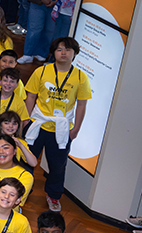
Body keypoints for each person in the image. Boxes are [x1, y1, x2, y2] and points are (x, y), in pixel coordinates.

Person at [24, 37, 91, 212]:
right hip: (37, 123)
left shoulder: (80, 77)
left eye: (67, 50)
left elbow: (82, 104)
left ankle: (53, 196)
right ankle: (22, 190)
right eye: (59, 49)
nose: (63, 53)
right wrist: (25, 119)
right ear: (53, 52)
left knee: (58, 166)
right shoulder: (41, 71)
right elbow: (30, 96)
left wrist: (75, 129)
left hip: (61, 129)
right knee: (26, 160)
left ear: (74, 53)